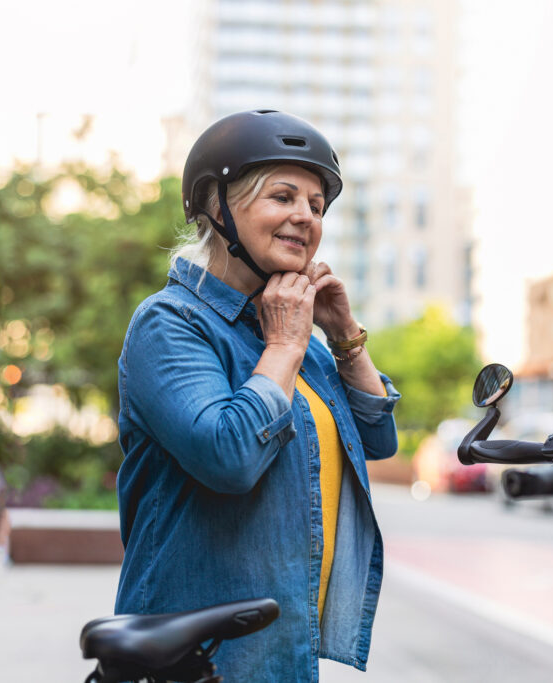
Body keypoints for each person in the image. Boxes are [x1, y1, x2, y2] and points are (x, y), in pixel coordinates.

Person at [115, 110, 401, 682]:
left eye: (317, 206)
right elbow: (229, 457)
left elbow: (379, 438)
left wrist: (343, 336)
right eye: (283, 196)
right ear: (218, 207)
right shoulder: (169, 324)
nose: (305, 217)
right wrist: (287, 344)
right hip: (199, 654)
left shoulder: (298, 339)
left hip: (283, 648)